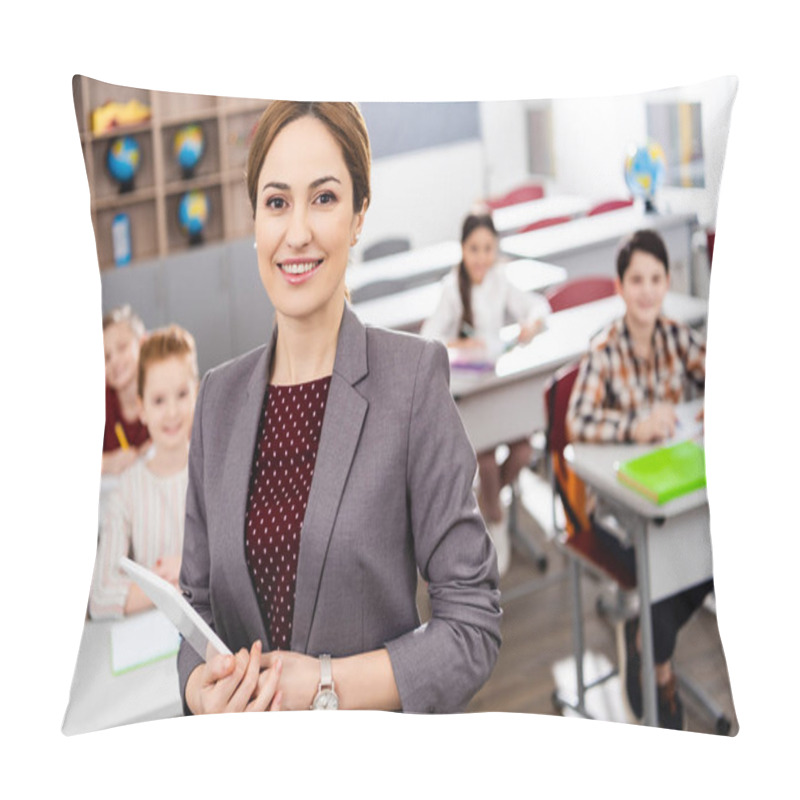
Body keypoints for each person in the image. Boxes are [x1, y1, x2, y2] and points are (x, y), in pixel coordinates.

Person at [177, 101, 502, 716]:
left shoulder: (410, 381)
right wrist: (200, 691)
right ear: (256, 222)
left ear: (358, 216)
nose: (297, 231)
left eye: (323, 199)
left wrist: (326, 683)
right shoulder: (217, 399)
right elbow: (196, 606)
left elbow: (473, 626)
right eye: (277, 203)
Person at [566, 228, 712, 730]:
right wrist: (637, 425)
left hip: (674, 490)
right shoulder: (604, 350)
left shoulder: (677, 336)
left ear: (667, 281)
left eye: (656, 278)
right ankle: (658, 662)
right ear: (619, 287)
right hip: (618, 506)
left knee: (714, 548)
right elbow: (577, 423)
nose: (647, 290)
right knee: (671, 551)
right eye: (636, 280)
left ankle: (646, 638)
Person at [421, 212, 550, 575]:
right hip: (471, 400)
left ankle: (490, 501)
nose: (481, 257)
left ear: (496, 250)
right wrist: (462, 342)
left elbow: (539, 305)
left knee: (524, 450)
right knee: (489, 461)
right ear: (463, 250)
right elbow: (428, 340)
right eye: (474, 249)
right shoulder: (451, 288)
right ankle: (494, 515)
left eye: (487, 249)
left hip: (499, 391)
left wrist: (530, 323)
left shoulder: (500, 280)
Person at [89, 325, 199, 619]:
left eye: (181, 394)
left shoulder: (214, 472)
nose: (172, 412)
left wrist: (185, 573)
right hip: (150, 640)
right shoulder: (127, 489)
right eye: (159, 400)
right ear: (142, 408)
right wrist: (172, 585)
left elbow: (239, 569)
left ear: (197, 393)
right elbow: (100, 594)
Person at [101, 305, 151, 475]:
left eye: (122, 348)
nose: (114, 361)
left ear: (142, 344)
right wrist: (106, 464)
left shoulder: (161, 388)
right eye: (106, 357)